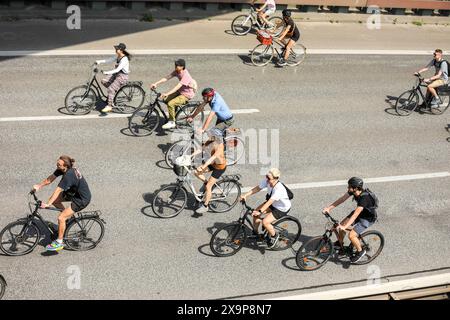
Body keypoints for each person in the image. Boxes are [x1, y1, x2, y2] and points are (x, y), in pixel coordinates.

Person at [32, 156, 92, 252]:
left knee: (61, 217)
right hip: (73, 193)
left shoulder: (69, 175)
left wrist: (48, 204)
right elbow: (50, 179)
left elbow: (58, 190)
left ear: (65, 166)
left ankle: (59, 242)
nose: (57, 166)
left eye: (58, 165)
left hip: (81, 199)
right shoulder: (63, 169)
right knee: (56, 201)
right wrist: (39, 186)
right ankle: (68, 218)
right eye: (57, 164)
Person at [322, 177, 378, 263]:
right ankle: (340, 243)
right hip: (360, 213)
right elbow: (342, 199)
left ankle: (360, 251)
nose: (348, 188)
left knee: (351, 235)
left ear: (355, 188)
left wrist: (345, 227)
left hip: (367, 218)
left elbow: (355, 215)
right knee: (340, 225)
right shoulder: (354, 191)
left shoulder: (364, 199)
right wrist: (329, 208)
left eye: (349, 187)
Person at [240, 168, 291, 249]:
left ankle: (274, 237)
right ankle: (255, 233)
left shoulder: (279, 189)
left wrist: (260, 211)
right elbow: (257, 188)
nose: (267, 179)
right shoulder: (267, 180)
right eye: (266, 176)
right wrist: (246, 195)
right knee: (255, 214)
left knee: (265, 222)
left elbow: (269, 202)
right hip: (273, 204)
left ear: (276, 179)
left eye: (269, 178)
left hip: (281, 208)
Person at [150, 59, 196, 130]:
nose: (175, 66)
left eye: (177, 65)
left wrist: (167, 93)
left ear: (182, 67)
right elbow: (167, 78)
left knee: (171, 103)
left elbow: (177, 86)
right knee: (165, 100)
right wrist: (156, 83)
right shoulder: (177, 71)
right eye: (175, 65)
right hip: (180, 91)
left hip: (186, 95)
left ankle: (172, 122)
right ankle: (173, 113)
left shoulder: (186, 75)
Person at [193, 128, 227, 215]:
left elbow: (212, 158)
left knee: (209, 187)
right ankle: (205, 183)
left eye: (212, 134)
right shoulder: (211, 140)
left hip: (219, 167)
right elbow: (201, 149)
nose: (209, 135)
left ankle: (205, 206)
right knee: (196, 172)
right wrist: (190, 156)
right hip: (212, 163)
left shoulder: (220, 146)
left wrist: (203, 166)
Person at [96, 43, 131, 113]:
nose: (115, 50)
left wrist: (106, 72)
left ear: (121, 50)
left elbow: (117, 70)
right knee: (104, 81)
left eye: (117, 49)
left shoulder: (124, 59)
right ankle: (111, 95)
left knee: (111, 88)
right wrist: (99, 61)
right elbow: (109, 60)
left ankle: (110, 106)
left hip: (122, 77)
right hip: (116, 74)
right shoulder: (118, 56)